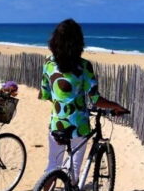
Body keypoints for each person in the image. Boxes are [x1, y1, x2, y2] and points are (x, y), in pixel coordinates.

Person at [39, 19, 127, 181]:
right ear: (78, 43)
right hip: (78, 126)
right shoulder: (83, 66)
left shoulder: (48, 63)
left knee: (52, 165)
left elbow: (46, 94)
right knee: (74, 167)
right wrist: (116, 105)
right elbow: (96, 100)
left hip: (56, 123)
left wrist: (62, 103)